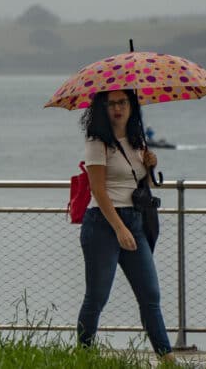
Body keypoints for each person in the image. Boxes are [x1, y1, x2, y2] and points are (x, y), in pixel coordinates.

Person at [76, 89, 175, 361]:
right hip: (103, 223)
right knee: (97, 297)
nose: (117, 108)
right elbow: (98, 189)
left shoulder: (137, 139)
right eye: (111, 104)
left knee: (150, 294)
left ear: (132, 106)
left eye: (123, 102)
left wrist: (151, 165)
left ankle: (167, 358)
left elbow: (142, 184)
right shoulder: (98, 142)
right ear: (102, 108)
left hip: (136, 219)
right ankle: (82, 356)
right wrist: (119, 228)